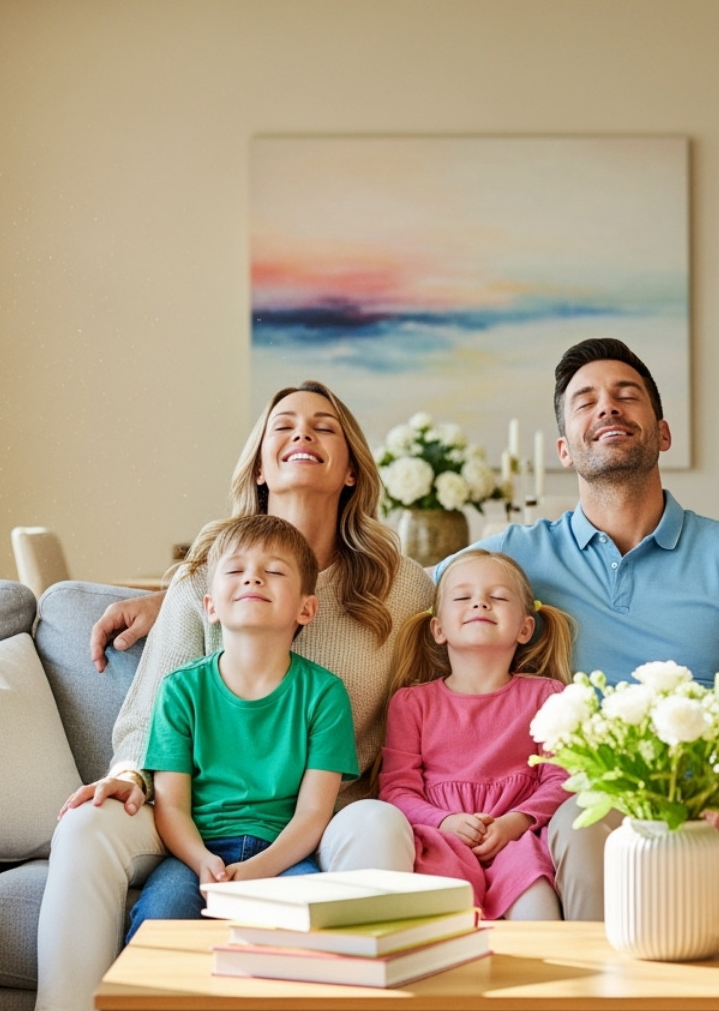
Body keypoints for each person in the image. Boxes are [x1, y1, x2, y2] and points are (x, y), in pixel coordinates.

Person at [451, 336, 719, 919]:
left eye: (626, 395)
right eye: (586, 401)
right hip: (596, 800)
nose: (607, 407)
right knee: (582, 820)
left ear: (663, 433)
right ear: (564, 451)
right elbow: (407, 599)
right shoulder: (513, 559)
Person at [36, 381, 433, 1011]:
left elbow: (429, 706)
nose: (303, 434)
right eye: (284, 426)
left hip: (328, 812)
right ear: (258, 464)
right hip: (193, 809)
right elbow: (149, 713)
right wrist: (129, 777)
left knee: (381, 824)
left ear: (353, 469)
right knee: (84, 827)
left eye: (324, 426)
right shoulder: (203, 576)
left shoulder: (401, 585)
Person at [124, 514, 358, 942]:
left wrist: (257, 870)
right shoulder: (181, 690)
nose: (253, 579)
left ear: (306, 608)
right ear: (211, 607)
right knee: (160, 917)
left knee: (312, 924)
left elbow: (313, 814)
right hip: (198, 852)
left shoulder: (325, 694)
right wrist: (202, 863)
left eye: (273, 571)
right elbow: (172, 807)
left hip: (284, 855)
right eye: (235, 571)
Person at [379, 549, 575, 922]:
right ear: (438, 629)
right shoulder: (412, 703)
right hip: (439, 842)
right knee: (440, 925)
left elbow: (562, 779)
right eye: (462, 597)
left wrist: (516, 821)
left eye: (498, 597)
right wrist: (444, 822)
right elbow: (396, 790)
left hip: (520, 842)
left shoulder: (548, 696)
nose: (480, 603)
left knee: (538, 910)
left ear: (525, 628)